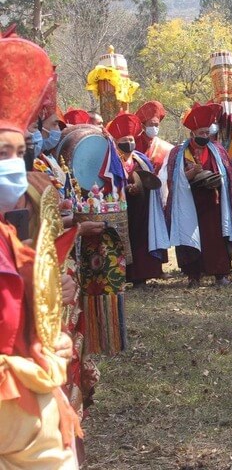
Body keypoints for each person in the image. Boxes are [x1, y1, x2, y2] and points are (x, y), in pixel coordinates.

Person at [0, 27, 80, 468]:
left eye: (17, 152)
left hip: (28, 407)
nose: (12, 166)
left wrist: (47, 295)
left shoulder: (10, 234)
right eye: (1, 153)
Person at [160, 102, 232, 287]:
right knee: (190, 237)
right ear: (192, 133)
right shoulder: (177, 153)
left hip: (214, 203)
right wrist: (192, 173)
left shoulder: (217, 150)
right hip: (189, 203)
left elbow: (227, 173)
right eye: (201, 133)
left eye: (207, 133)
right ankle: (193, 275)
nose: (205, 136)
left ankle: (220, 274)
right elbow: (173, 181)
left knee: (216, 237)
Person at [107, 113, 168, 287]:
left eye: (132, 139)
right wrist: (125, 189)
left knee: (142, 239)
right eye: (125, 140)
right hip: (124, 209)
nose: (130, 143)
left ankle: (143, 275)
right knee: (126, 240)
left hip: (143, 207)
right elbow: (111, 182)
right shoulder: (112, 161)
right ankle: (127, 276)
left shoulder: (141, 159)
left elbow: (150, 179)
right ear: (117, 142)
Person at [135, 100, 174, 172]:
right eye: (151, 124)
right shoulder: (134, 143)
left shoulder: (167, 148)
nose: (154, 127)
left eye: (156, 125)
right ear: (143, 126)